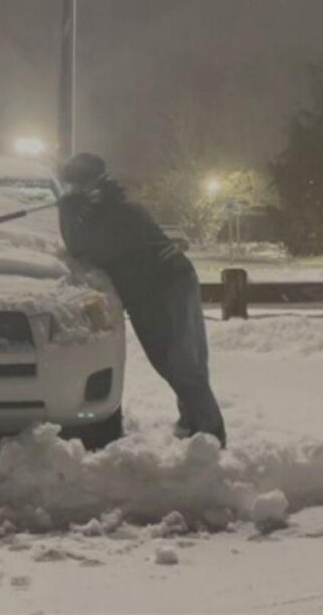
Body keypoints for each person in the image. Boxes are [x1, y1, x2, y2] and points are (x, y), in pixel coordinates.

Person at [57, 153, 227, 447]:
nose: (71, 192)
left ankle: (210, 434)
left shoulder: (119, 214)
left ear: (94, 184)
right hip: (162, 283)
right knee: (180, 359)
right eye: (68, 186)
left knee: (177, 360)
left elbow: (79, 246)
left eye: (76, 186)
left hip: (162, 287)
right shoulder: (109, 210)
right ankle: (194, 424)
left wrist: (68, 210)